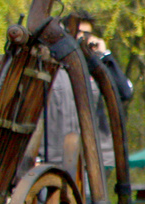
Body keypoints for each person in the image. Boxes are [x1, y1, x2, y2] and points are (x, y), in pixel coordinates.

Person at [40, 10, 133, 178]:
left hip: (94, 162)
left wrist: (105, 57)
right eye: (78, 32)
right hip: (52, 160)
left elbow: (124, 93)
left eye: (87, 34)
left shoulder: (98, 68)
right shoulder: (48, 67)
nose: (81, 37)